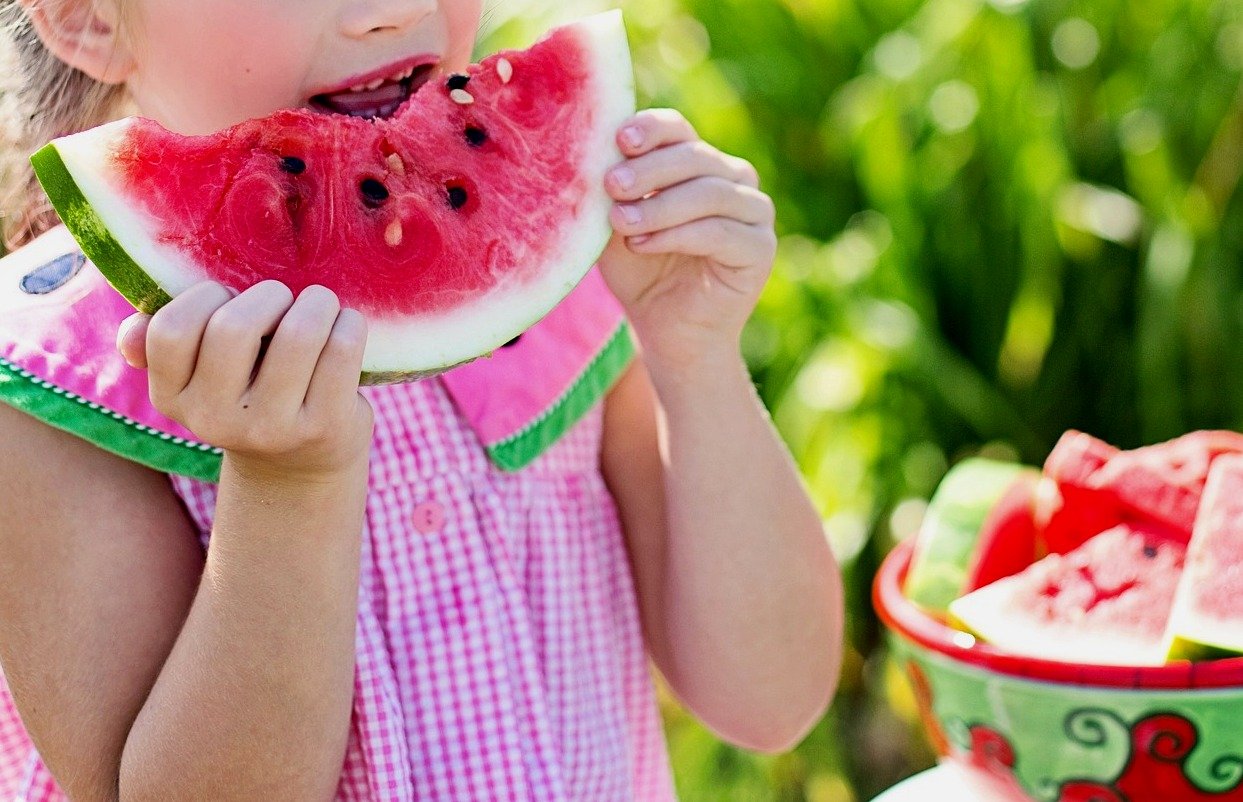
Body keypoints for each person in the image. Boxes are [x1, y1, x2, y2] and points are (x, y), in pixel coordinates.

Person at [0, 0, 843, 799]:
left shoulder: (559, 278)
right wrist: (289, 487)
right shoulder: (50, 389)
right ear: (88, 15)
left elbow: (769, 698)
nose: (391, 9)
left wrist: (696, 359)